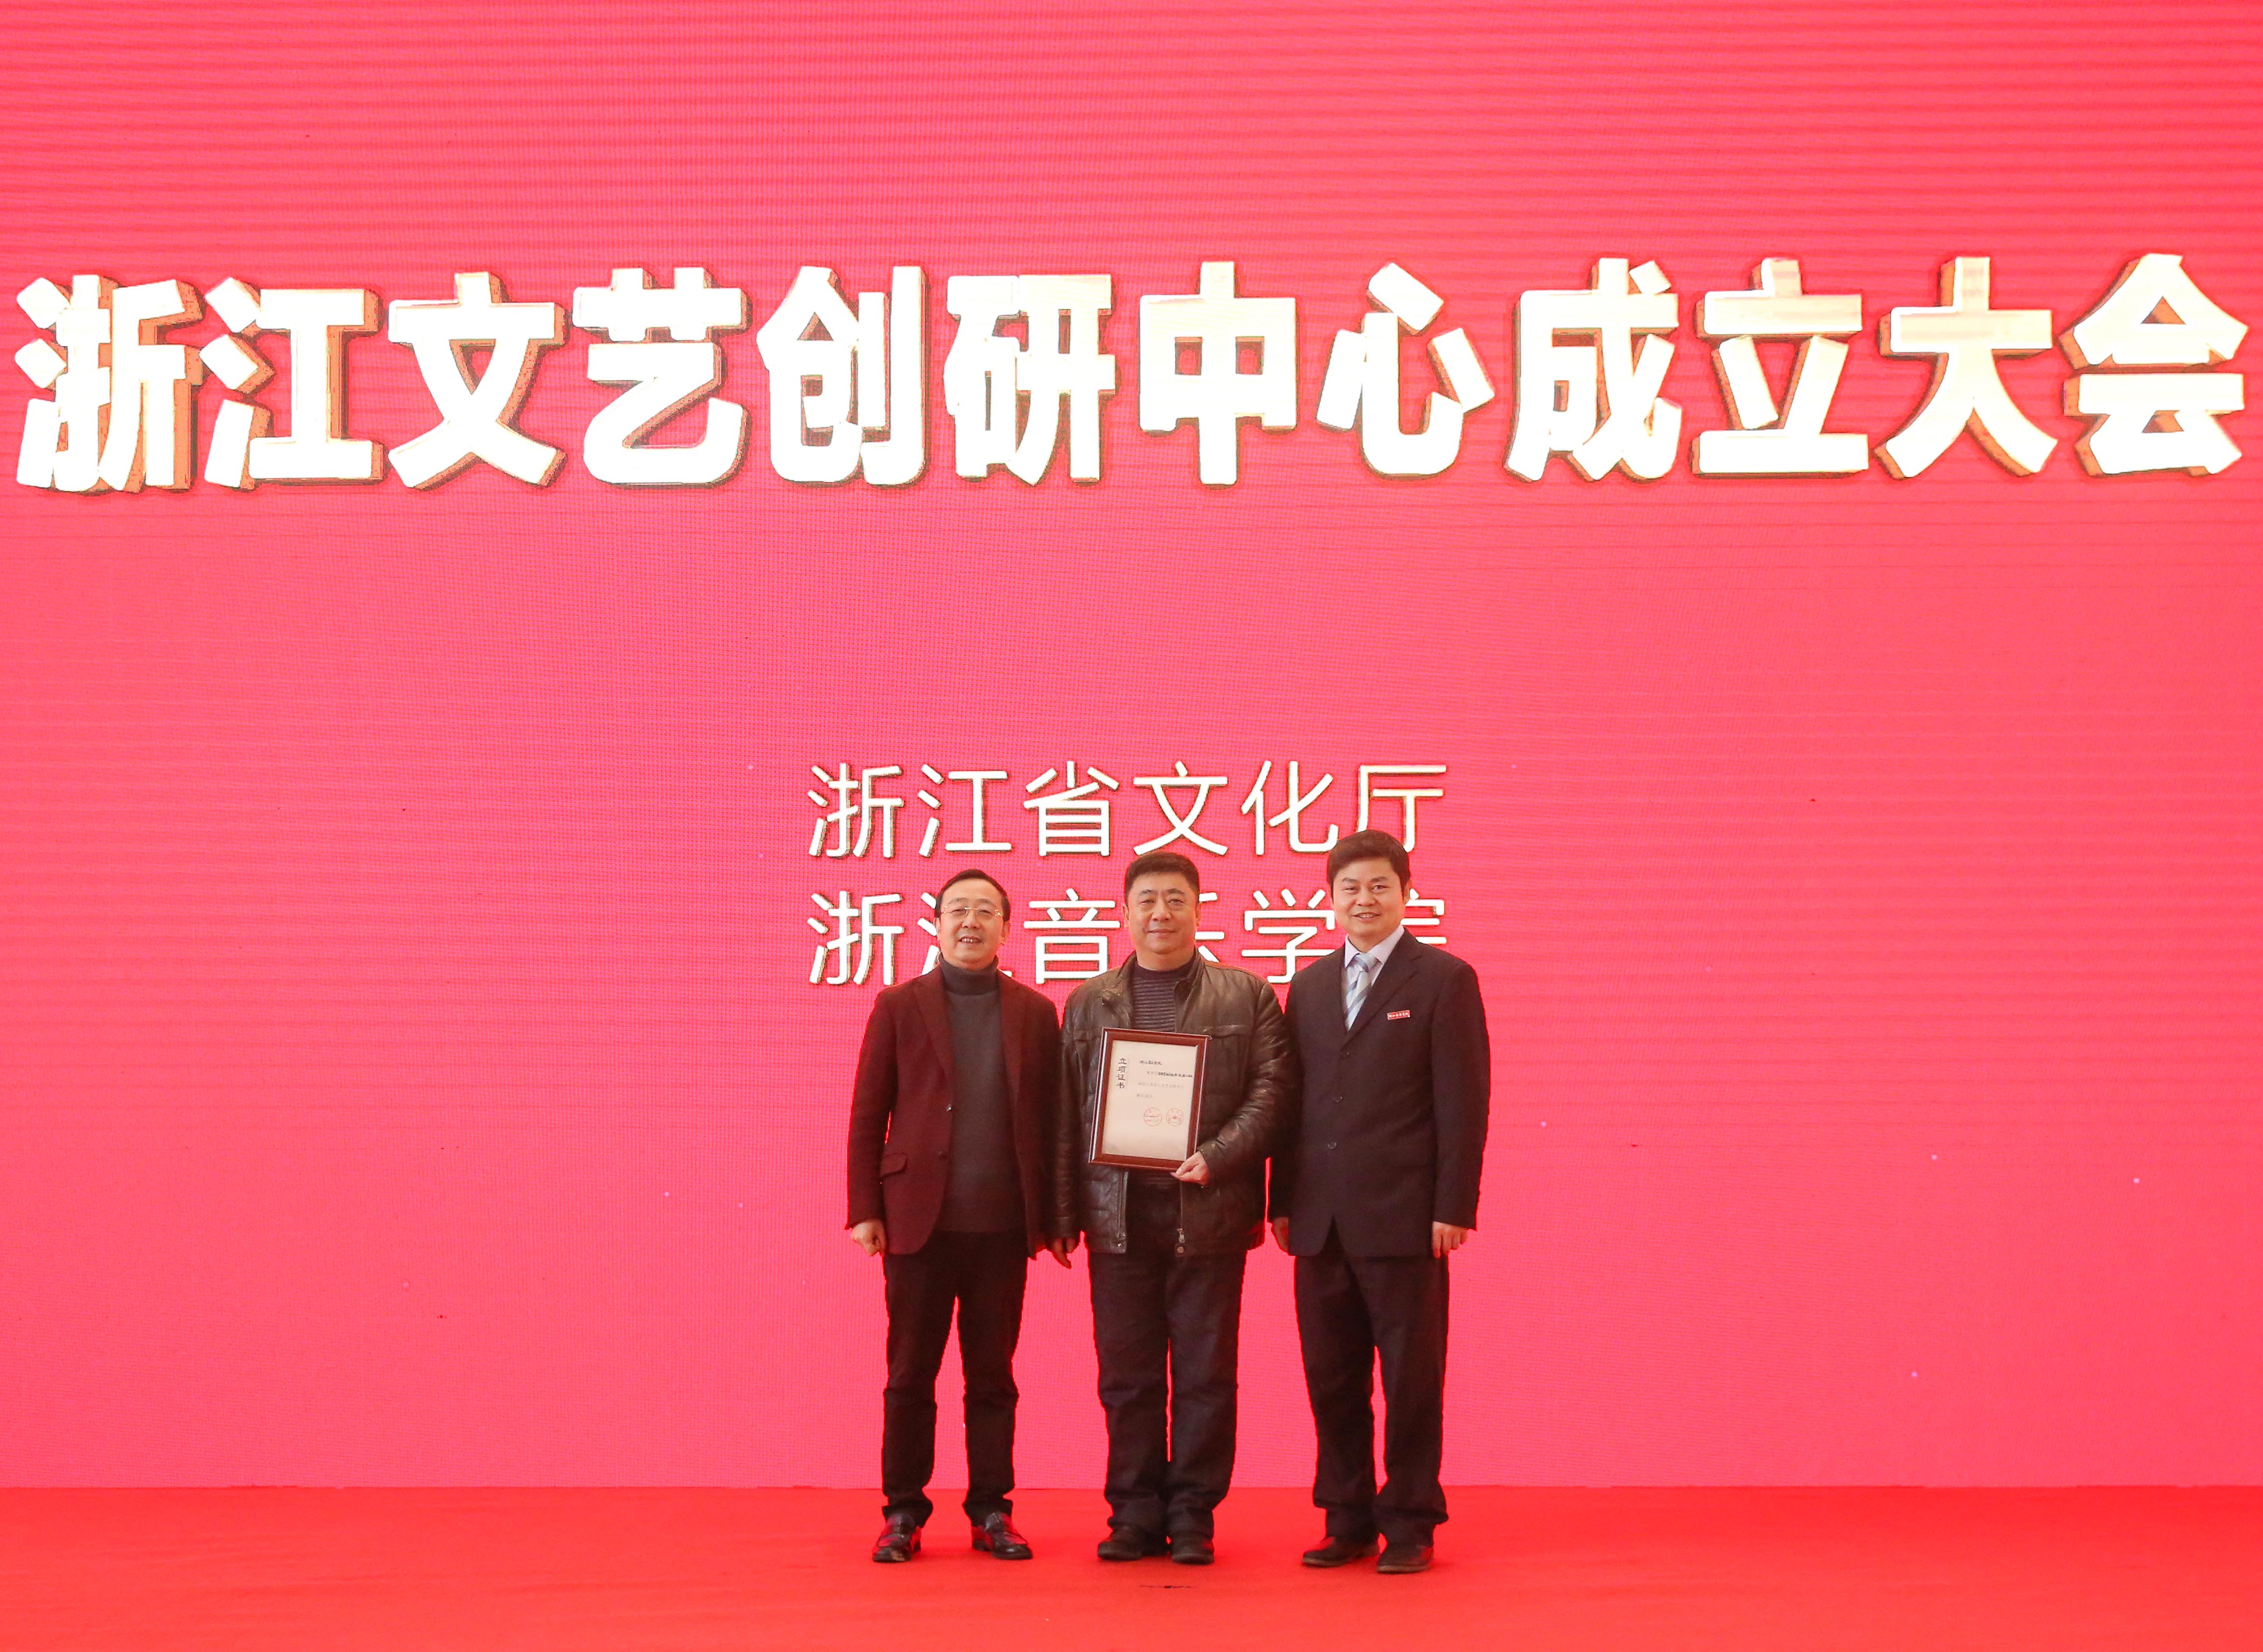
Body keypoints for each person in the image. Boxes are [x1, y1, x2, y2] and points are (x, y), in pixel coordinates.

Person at [1055, 850, 1294, 1565]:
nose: (1161, 913)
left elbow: (1274, 1092)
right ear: (1126, 913)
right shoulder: (1088, 1001)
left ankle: (1193, 1514)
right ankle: (1133, 1513)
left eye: (1175, 899)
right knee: (1125, 1377)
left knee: (1204, 1374)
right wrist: (1064, 1212)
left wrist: (1219, 1154)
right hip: (1118, 1217)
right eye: (1147, 900)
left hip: (1209, 1209)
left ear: (1198, 907)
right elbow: (1066, 1113)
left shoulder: (1247, 995)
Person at [1271, 829, 1490, 1575]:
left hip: (1406, 1217)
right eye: (1350, 888)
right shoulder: (1307, 985)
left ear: (1405, 891)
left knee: (1410, 1379)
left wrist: (1454, 1204)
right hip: (1318, 1220)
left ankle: (1411, 1522)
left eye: (1378, 886)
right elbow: (1293, 1104)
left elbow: (1463, 1103)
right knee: (1332, 1379)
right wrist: (1282, 1199)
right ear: (1331, 899)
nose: (1363, 900)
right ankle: (1347, 1518)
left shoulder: (1444, 979)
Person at [844, 869, 1068, 1564]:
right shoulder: (899, 1004)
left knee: (993, 1376)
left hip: (1002, 1225)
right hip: (918, 1223)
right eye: (957, 911)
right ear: (936, 925)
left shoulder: (1035, 1012)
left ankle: (992, 1510)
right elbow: (868, 1112)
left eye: (985, 912)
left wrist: (1055, 1215)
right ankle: (903, 1511)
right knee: (910, 1374)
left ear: (1007, 928)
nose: (970, 922)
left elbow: (1054, 1122)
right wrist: (864, 1208)